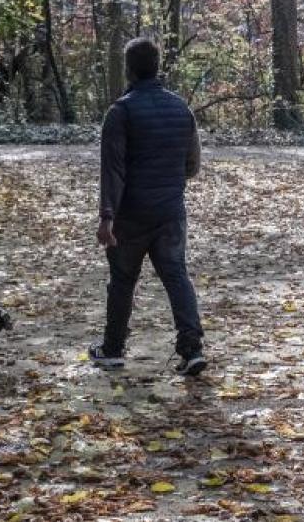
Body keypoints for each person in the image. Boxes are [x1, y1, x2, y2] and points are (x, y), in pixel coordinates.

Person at [89, 37, 207, 376]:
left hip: (131, 214)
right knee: (176, 276)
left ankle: (112, 349)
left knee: (123, 279)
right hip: (170, 211)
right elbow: (193, 165)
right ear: (158, 67)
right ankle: (192, 348)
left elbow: (112, 170)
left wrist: (107, 217)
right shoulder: (181, 108)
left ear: (128, 69)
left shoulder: (120, 112)